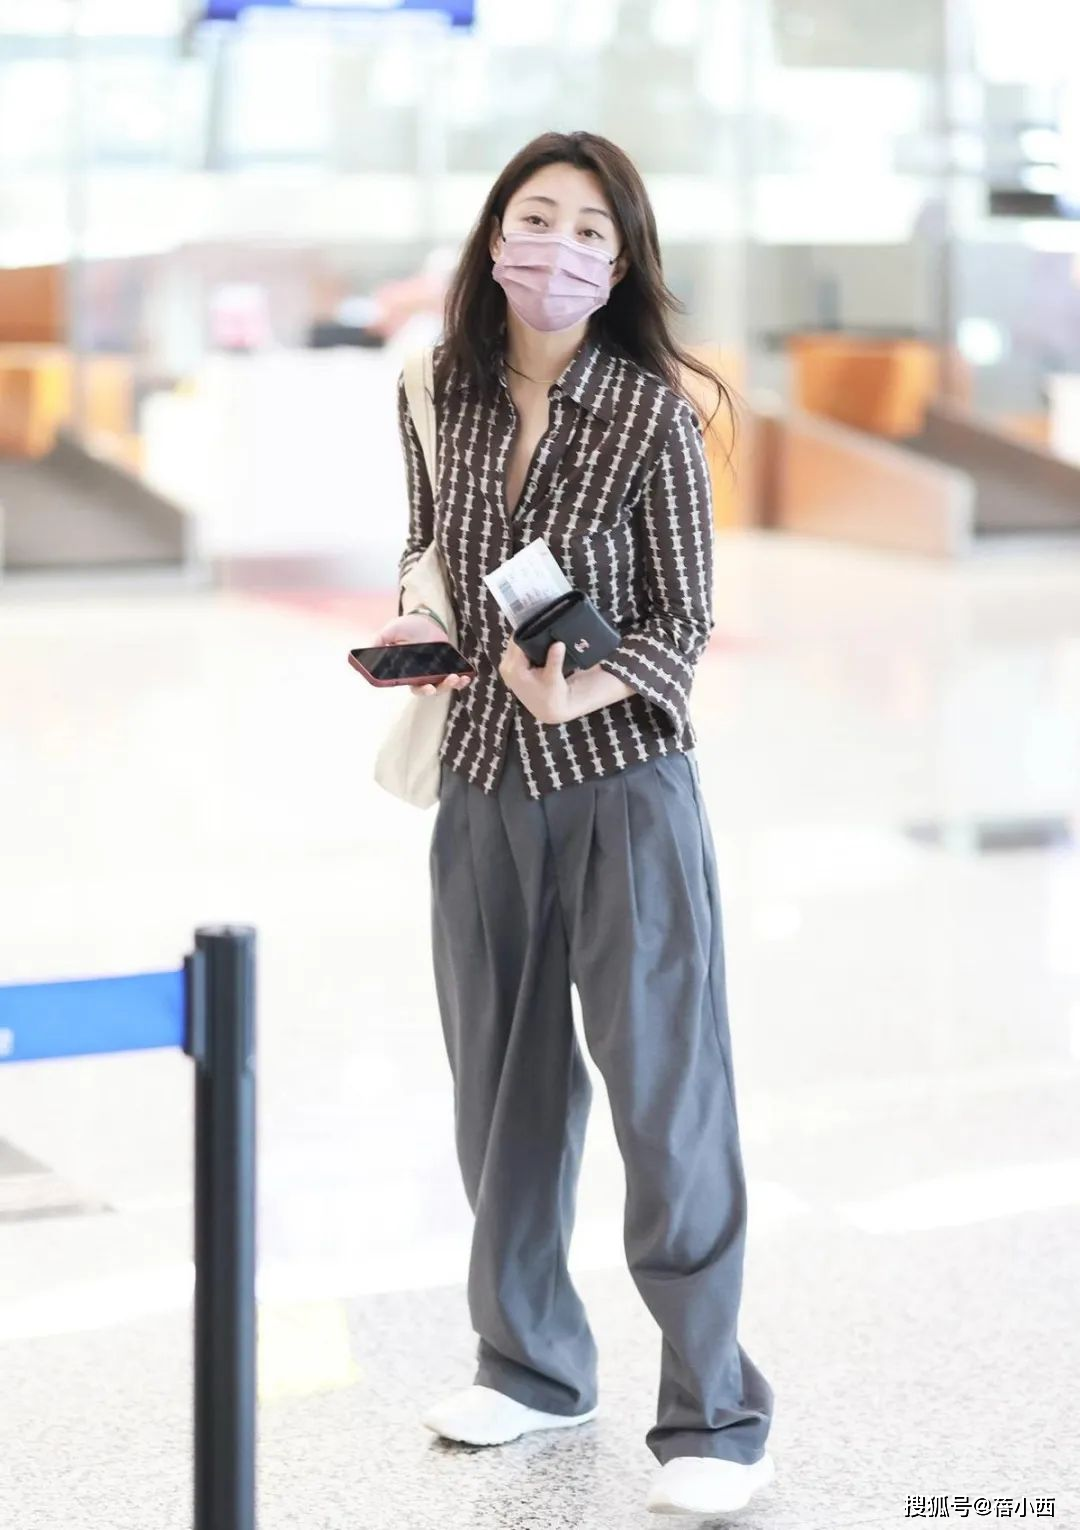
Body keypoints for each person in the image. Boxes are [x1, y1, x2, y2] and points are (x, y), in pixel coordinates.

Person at [371, 129, 775, 1519]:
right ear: (496, 237)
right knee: (502, 1094)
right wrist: (419, 628)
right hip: (484, 785)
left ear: (621, 262)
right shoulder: (438, 389)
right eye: (537, 218)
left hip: (623, 794)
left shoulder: (653, 414)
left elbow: (685, 620)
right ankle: (533, 1365)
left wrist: (582, 686)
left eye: (592, 231)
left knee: (668, 1098)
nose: (560, 248)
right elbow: (426, 547)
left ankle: (715, 1411)